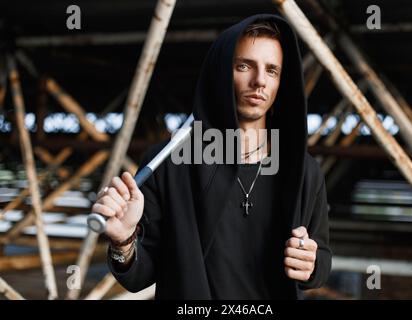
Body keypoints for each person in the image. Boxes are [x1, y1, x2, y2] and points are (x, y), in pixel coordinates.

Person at [92, 14, 332, 299]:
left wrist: (312, 265)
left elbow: (322, 255)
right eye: (244, 66)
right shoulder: (167, 163)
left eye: (272, 71)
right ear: (221, 71)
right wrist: (123, 242)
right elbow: (140, 276)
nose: (259, 82)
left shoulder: (304, 171)